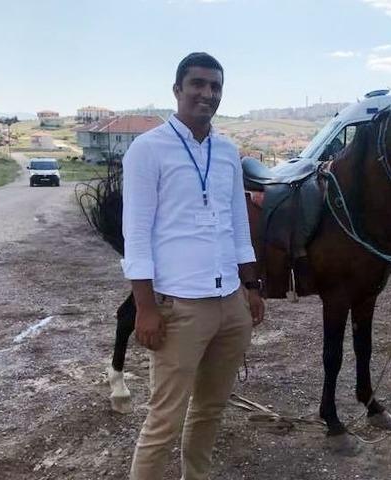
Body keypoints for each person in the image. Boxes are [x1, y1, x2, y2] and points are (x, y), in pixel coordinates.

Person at [122, 52, 265, 480]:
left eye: (215, 86)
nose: (207, 93)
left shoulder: (227, 152)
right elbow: (136, 235)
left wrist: (251, 286)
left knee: (210, 410)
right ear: (177, 90)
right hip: (179, 305)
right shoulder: (148, 150)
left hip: (230, 303)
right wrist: (145, 307)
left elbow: (238, 224)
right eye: (198, 84)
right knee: (164, 420)